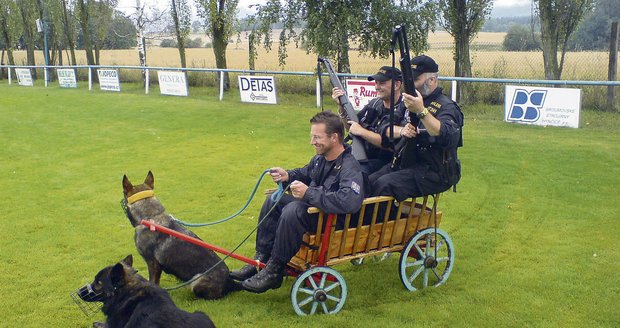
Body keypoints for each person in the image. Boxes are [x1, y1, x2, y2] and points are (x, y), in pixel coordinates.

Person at [230, 111, 366, 293]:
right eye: (312, 137)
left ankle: (274, 270)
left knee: (293, 209)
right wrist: (287, 175)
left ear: (334, 137)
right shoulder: (320, 159)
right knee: (274, 200)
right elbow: (304, 173)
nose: (312, 142)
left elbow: (348, 201)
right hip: (316, 212)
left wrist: (309, 193)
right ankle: (261, 260)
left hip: (333, 221)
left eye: (317, 137)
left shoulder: (350, 167)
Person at [370, 55, 463, 201]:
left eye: (415, 80)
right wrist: (401, 131)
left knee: (384, 185)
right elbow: (385, 126)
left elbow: (447, 135)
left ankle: (385, 223)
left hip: (434, 171)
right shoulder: (408, 101)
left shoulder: (446, 106)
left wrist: (421, 111)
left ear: (431, 80)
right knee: (368, 181)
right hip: (406, 162)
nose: (410, 85)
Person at [331, 66, 408, 175]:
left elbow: (393, 146)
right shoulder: (374, 104)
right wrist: (342, 108)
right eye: (376, 83)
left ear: (396, 85)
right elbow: (351, 127)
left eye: (381, 83)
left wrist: (362, 132)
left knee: (353, 175)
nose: (377, 87)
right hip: (365, 158)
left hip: (387, 162)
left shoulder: (405, 109)